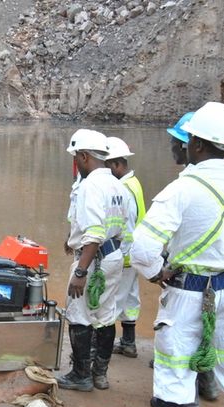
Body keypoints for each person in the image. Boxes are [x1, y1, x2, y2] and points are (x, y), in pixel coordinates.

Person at [130, 102, 224, 407]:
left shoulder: (181, 190)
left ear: (199, 144)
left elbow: (143, 248)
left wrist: (157, 273)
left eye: (188, 139)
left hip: (187, 295)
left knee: (175, 373)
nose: (185, 144)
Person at [151, 112, 220, 407]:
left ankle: (186, 398)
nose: (172, 148)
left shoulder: (188, 185)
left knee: (184, 334)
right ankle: (208, 384)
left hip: (190, 275)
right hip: (220, 277)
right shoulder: (223, 183)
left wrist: (158, 268)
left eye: (175, 142)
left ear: (190, 144)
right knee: (207, 328)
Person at [58, 129, 133, 392]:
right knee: (105, 315)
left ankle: (81, 375)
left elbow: (94, 233)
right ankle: (100, 374)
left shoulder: (90, 186)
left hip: (92, 260)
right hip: (112, 257)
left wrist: (80, 272)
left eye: (77, 157)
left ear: (84, 156)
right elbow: (123, 228)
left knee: (79, 315)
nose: (76, 163)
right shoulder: (118, 185)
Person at [103, 137, 145, 359]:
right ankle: (128, 342)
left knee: (112, 301)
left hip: (125, 254)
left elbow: (126, 225)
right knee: (130, 299)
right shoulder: (134, 183)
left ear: (117, 165)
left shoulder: (123, 189)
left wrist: (120, 254)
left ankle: (100, 350)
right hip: (135, 254)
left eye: (107, 166)